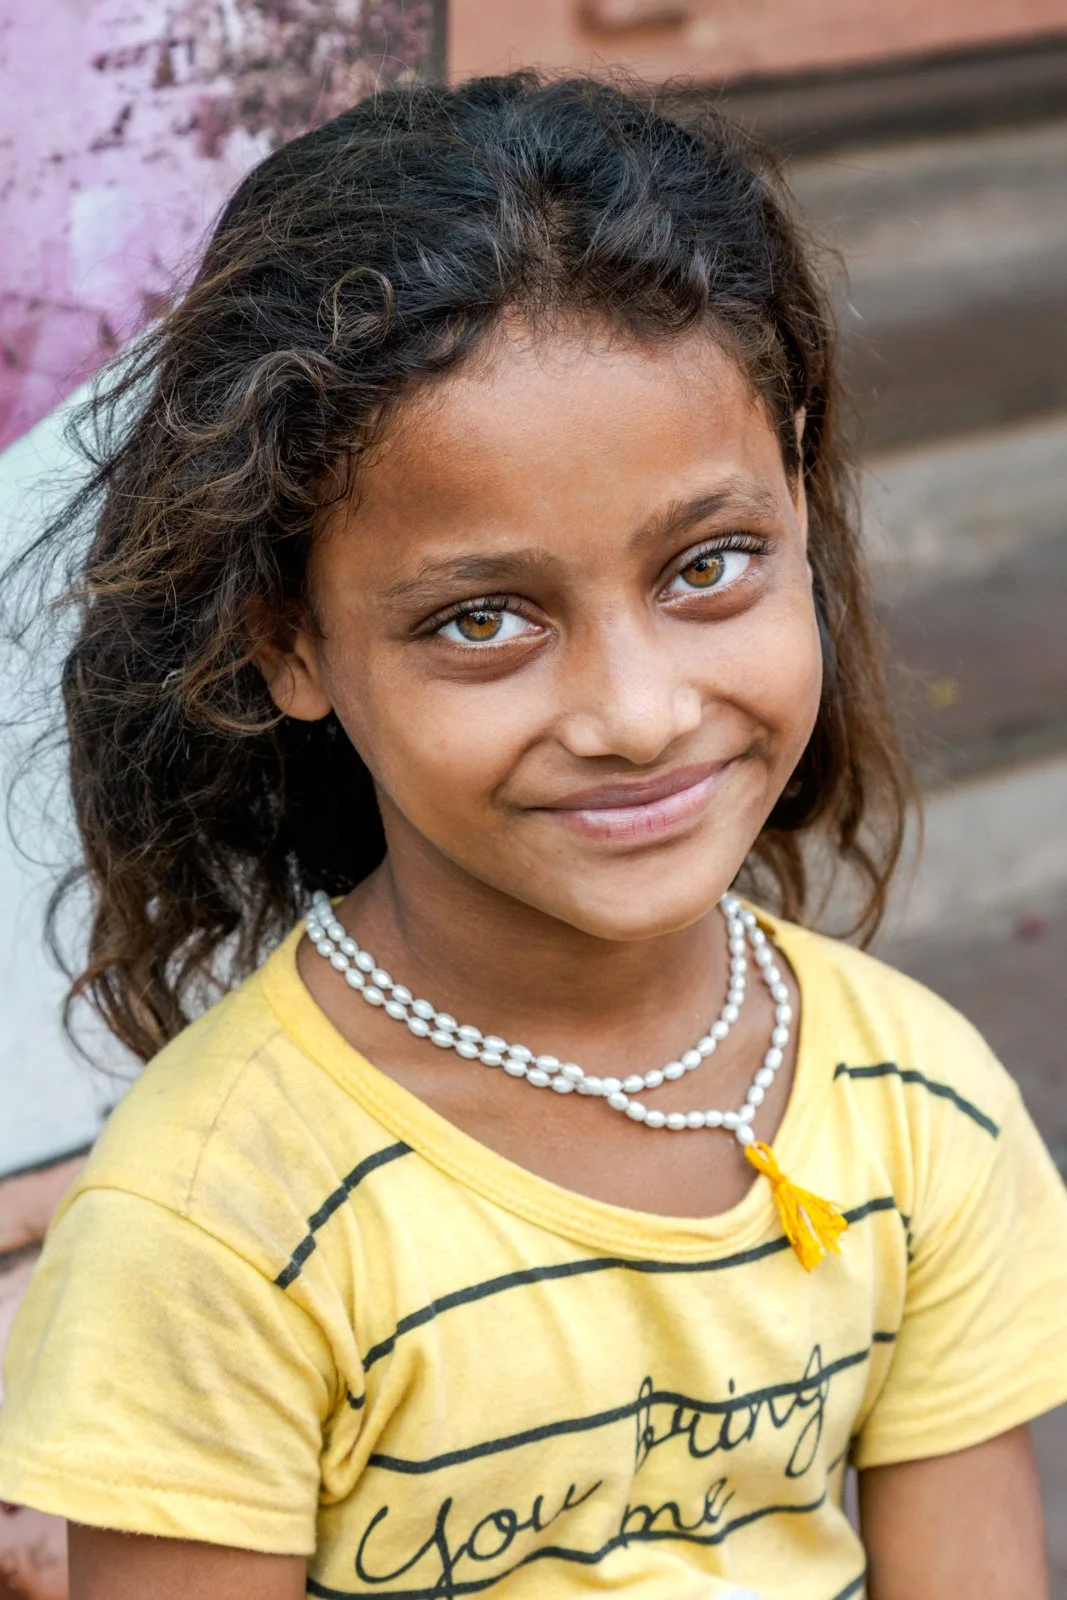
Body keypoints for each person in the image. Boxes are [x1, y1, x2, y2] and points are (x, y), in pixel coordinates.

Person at [1, 71, 1065, 1600]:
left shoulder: (913, 1108)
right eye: (481, 619)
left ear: (797, 505)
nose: (635, 713)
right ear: (288, 643)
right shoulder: (219, 1222)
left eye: (708, 565)